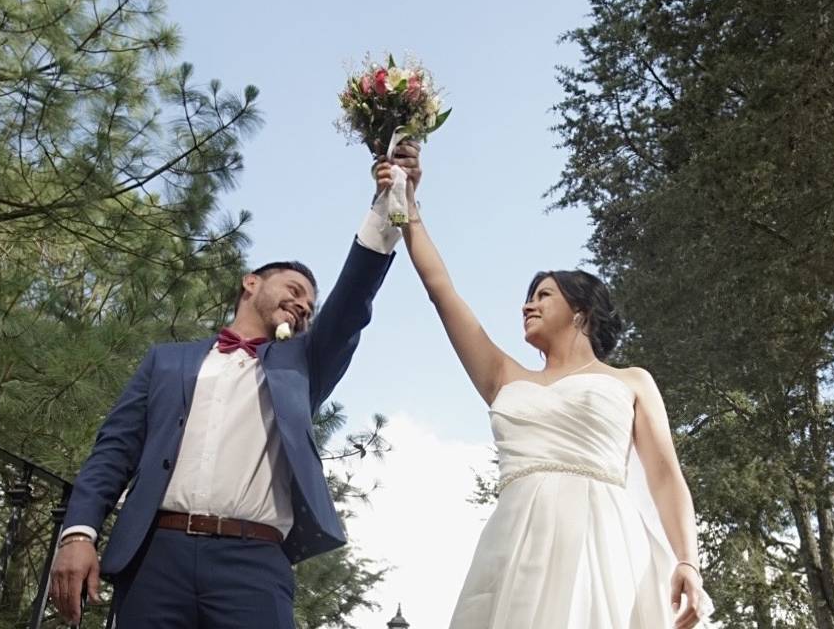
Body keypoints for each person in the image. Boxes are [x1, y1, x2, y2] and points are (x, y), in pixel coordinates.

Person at [49, 143, 422, 628]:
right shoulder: (166, 361)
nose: (304, 306)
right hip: (155, 557)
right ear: (251, 283)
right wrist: (78, 534)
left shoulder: (301, 366)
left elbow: (353, 300)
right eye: (295, 290)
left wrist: (389, 203)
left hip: (255, 563)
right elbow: (113, 451)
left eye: (310, 305)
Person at [375, 160, 712, 629]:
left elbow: (664, 478)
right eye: (529, 296)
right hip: (516, 545)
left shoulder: (633, 381)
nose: (527, 304)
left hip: (603, 544)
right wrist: (407, 205)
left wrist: (687, 563)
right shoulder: (502, 377)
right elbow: (441, 291)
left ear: (582, 311)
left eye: (543, 295)